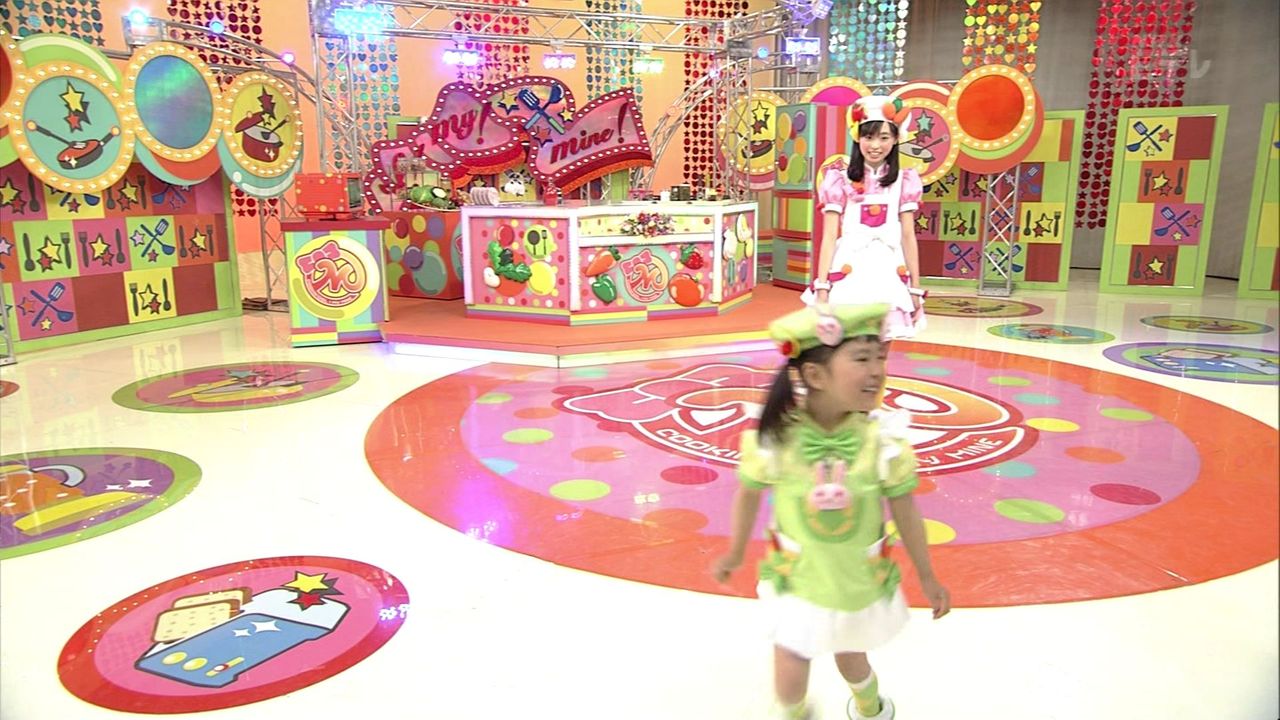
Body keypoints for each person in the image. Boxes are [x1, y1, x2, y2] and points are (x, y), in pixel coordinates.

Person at [713, 303, 949, 720]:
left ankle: (870, 706)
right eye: (861, 358)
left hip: (854, 581)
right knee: (791, 659)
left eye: (880, 357)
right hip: (797, 580)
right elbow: (748, 493)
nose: (877, 371)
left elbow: (906, 511)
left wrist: (928, 576)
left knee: (851, 657)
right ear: (815, 375)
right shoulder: (778, 438)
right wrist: (734, 552)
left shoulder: (883, 441)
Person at [802, 96, 926, 341]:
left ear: (896, 139)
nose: (875, 145)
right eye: (868, 137)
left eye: (884, 137)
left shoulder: (904, 181)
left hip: (888, 272)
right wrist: (823, 286)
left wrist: (915, 288)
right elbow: (829, 236)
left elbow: (908, 236)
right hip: (849, 270)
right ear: (857, 138)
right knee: (846, 342)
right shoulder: (839, 179)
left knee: (882, 342)